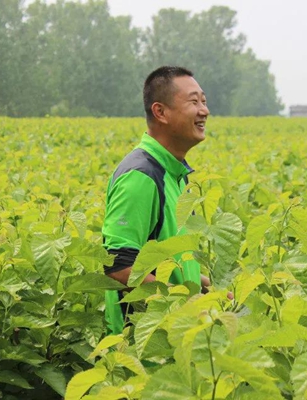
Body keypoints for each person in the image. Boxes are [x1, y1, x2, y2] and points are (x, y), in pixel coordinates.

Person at [102, 66, 211, 334]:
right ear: (160, 112)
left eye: (204, 101)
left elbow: (166, 260)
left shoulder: (175, 174)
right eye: (194, 102)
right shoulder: (141, 176)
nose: (204, 111)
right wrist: (185, 304)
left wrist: (205, 287)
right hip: (140, 344)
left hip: (175, 338)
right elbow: (119, 266)